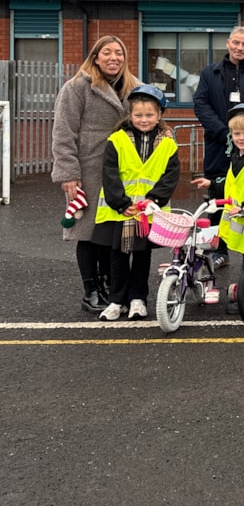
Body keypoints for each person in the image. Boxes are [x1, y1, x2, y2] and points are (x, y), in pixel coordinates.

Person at [51, 35, 143, 314]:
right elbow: (63, 131)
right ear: (95, 57)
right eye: (107, 52)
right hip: (89, 167)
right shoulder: (77, 87)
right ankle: (91, 291)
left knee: (112, 231)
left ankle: (112, 288)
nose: (114, 58)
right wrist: (68, 173)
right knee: (88, 232)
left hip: (122, 169)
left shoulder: (135, 87)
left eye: (119, 53)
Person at [91, 85, 180, 321]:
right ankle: (116, 300)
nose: (144, 119)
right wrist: (120, 203)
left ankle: (138, 299)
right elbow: (109, 173)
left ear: (159, 115)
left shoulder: (168, 144)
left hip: (147, 212)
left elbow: (170, 175)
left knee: (142, 256)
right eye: (138, 115)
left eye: (149, 115)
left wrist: (154, 199)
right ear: (130, 115)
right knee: (117, 257)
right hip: (119, 211)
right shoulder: (117, 139)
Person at [193, 25, 244, 268]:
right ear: (228, 43)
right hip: (218, 144)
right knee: (218, 197)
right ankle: (219, 250)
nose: (240, 48)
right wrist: (224, 132)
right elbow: (201, 104)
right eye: (236, 43)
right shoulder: (210, 72)